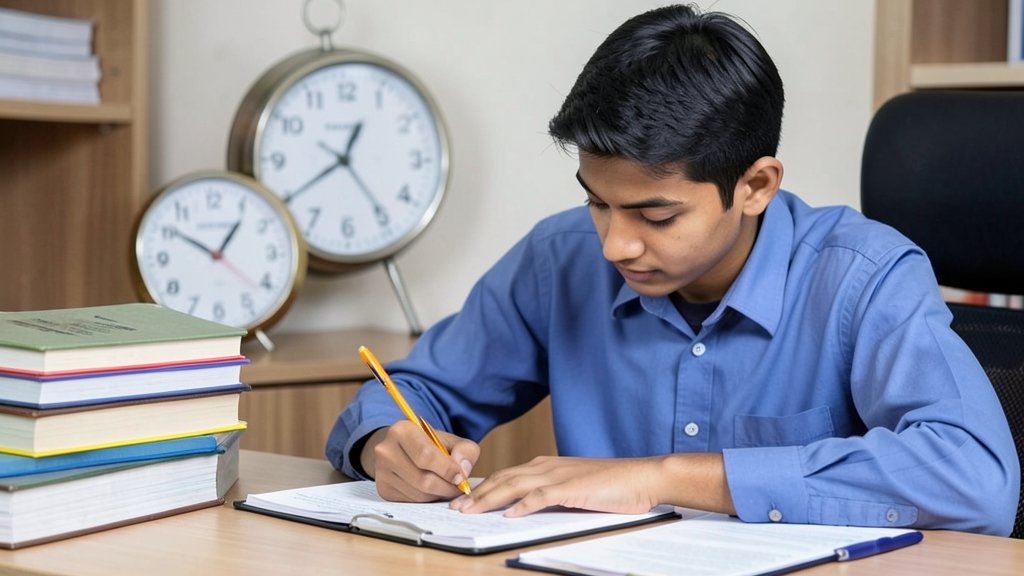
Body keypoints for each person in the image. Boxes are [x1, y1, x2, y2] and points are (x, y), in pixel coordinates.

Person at [325, 4, 1020, 535]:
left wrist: (661, 478)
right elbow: (412, 391)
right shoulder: (559, 258)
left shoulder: (863, 277)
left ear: (756, 186)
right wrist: (387, 443)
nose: (614, 246)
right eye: (597, 203)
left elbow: (975, 480)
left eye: (655, 218)